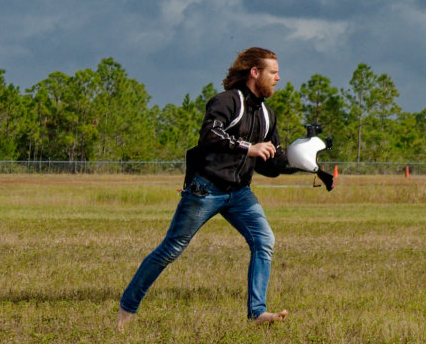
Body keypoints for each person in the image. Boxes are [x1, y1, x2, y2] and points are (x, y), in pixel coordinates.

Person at [118, 46, 296, 327]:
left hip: (240, 194)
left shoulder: (267, 115)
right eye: (273, 72)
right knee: (171, 249)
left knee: (264, 241)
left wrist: (309, 166)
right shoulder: (227, 101)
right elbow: (210, 135)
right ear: (255, 72)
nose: (278, 78)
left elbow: (272, 163)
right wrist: (248, 147)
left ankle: (257, 313)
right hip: (206, 189)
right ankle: (127, 309)